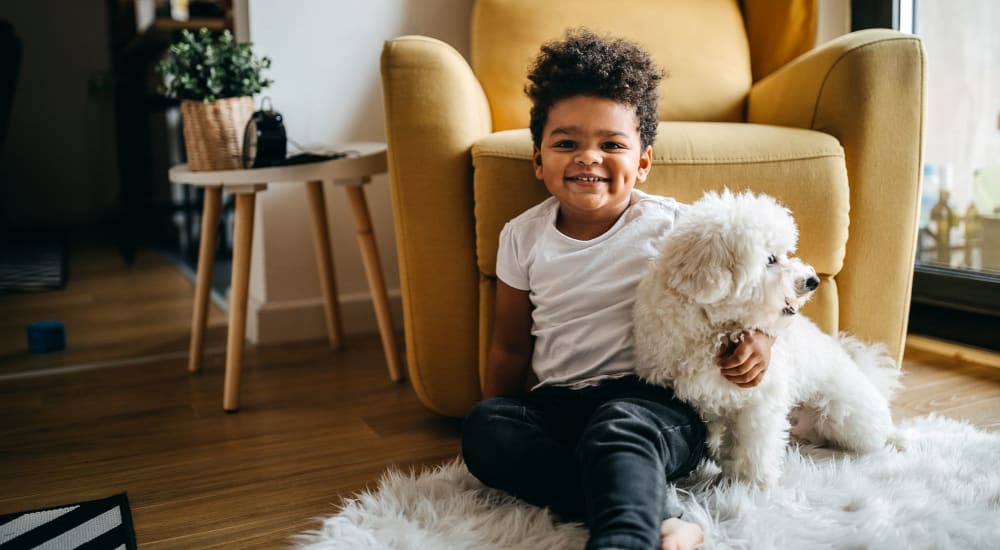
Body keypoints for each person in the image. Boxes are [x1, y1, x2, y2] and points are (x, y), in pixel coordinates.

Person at [461, 29, 774, 550]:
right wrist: (504, 416)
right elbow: (510, 346)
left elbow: (754, 287)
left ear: (642, 162)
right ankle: (664, 516)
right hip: (559, 405)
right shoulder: (521, 236)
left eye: (611, 144)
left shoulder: (677, 225)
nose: (588, 157)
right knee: (484, 429)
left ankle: (624, 538)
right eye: (566, 143)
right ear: (538, 159)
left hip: (653, 407)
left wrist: (762, 336)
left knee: (617, 429)